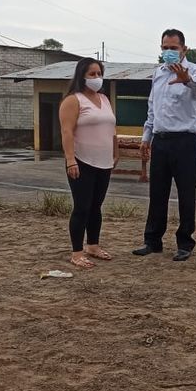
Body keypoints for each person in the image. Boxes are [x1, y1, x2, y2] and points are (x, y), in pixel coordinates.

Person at [132, 29, 196, 262]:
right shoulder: (158, 74)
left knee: (186, 193)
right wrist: (146, 137)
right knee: (157, 193)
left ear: (184, 49)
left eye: (173, 48)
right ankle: (152, 241)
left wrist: (186, 80)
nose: (169, 52)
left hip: (185, 142)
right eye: (165, 48)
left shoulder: (195, 71)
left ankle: (185, 242)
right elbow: (152, 108)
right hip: (161, 140)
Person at [59, 57, 118, 269]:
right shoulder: (73, 100)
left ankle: (93, 245)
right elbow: (66, 131)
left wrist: (115, 151)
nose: (96, 77)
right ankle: (77, 253)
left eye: (99, 74)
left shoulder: (104, 99)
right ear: (81, 76)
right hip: (81, 161)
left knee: (96, 207)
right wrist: (70, 159)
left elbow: (112, 128)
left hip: (104, 162)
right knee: (82, 207)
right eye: (92, 74)